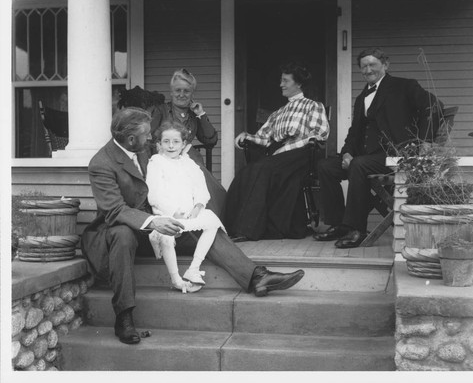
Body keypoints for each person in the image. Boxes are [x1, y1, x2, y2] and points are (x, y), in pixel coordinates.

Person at [81, 107, 305, 345]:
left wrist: (193, 204)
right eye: (146, 135)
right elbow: (115, 210)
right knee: (123, 235)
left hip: (161, 222)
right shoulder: (102, 163)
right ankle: (124, 317)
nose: (150, 139)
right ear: (130, 138)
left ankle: (256, 277)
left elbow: (180, 165)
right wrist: (154, 221)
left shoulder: (143, 150)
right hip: (122, 227)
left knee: (207, 227)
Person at [313, 47, 442, 248]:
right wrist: (347, 151)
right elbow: (354, 133)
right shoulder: (361, 98)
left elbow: (434, 106)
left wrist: (425, 142)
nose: (367, 70)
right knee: (326, 166)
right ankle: (338, 224)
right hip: (366, 156)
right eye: (363, 66)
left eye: (372, 64)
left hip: (396, 154)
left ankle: (356, 229)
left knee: (359, 164)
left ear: (385, 65)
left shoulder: (404, 86)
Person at [225, 61, 330, 241]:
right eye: (281, 80)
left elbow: (319, 134)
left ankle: (247, 230)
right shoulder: (278, 113)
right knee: (247, 171)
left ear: (298, 84)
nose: (281, 84)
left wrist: (287, 148)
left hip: (303, 154)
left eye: (285, 81)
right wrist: (246, 137)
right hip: (282, 157)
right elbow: (264, 138)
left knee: (262, 169)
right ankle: (232, 227)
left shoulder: (313, 106)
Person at [147, 121, 224, 293]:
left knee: (212, 221)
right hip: (167, 212)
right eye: (166, 141)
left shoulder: (189, 163)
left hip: (190, 213)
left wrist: (198, 206)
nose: (171, 145)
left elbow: (201, 189)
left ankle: (194, 268)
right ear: (159, 144)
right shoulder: (156, 162)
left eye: (176, 142)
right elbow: (154, 195)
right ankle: (176, 279)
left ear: (183, 144)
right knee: (166, 234)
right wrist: (173, 212)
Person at [149, 68, 226, 219]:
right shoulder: (161, 111)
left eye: (187, 91)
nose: (182, 95)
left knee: (208, 186)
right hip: (166, 159)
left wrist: (201, 115)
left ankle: (212, 221)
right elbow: (149, 137)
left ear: (192, 94)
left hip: (191, 160)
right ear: (171, 92)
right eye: (178, 90)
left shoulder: (193, 114)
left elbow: (210, 140)